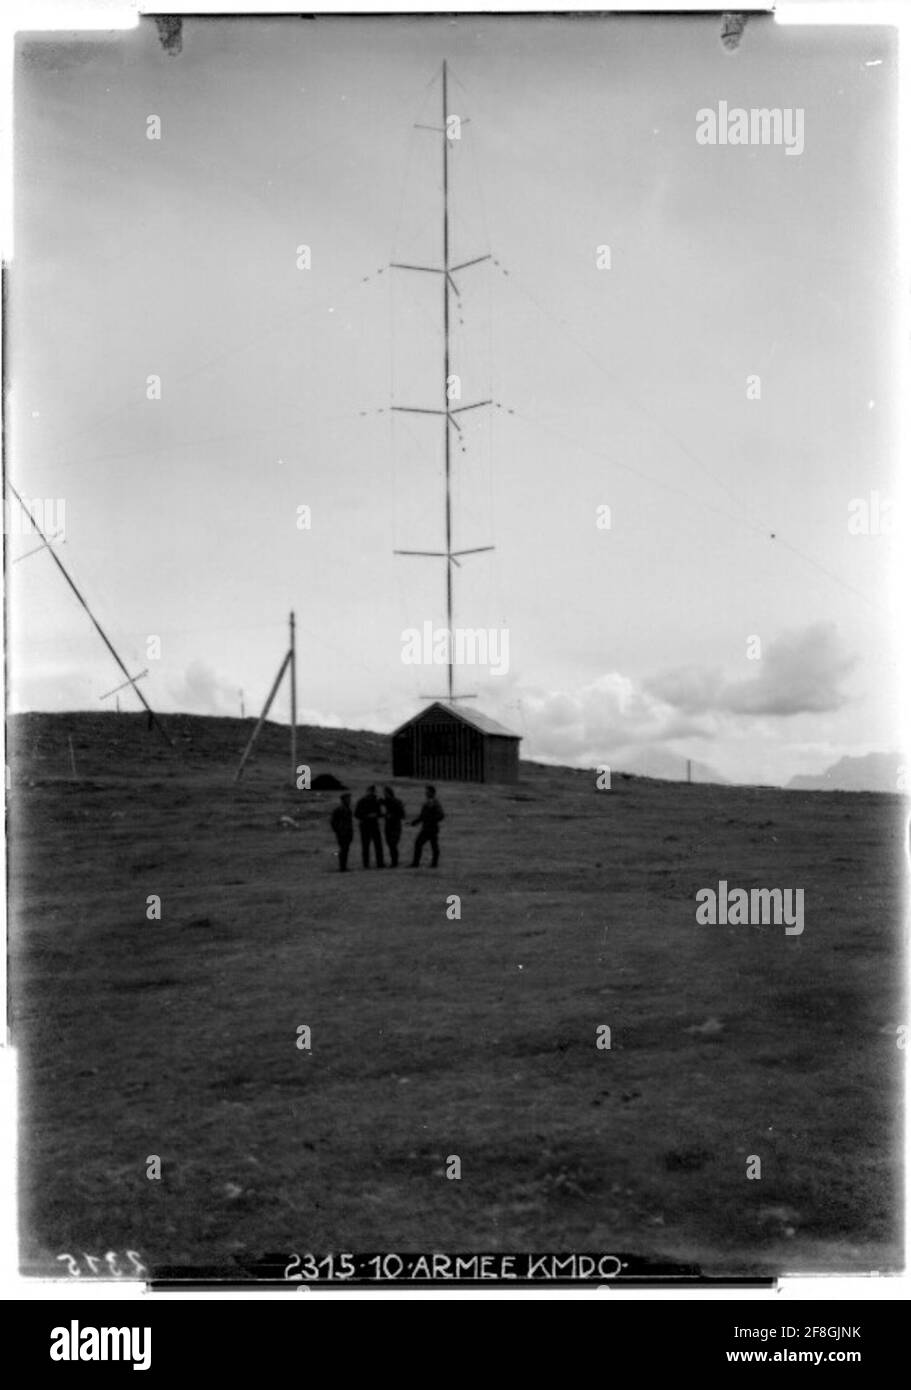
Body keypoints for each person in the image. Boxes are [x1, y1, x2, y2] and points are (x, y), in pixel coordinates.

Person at [410, 785, 444, 868]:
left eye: (427, 791)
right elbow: (423, 816)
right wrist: (415, 822)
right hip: (428, 827)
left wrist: (431, 819)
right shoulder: (428, 803)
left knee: (425, 844)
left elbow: (441, 815)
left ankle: (419, 863)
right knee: (429, 845)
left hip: (431, 828)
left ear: (432, 793)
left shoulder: (435, 803)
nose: (426, 793)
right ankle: (429, 863)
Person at [354, 784, 385, 868]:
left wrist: (377, 815)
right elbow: (356, 814)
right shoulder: (361, 801)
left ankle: (380, 863)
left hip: (374, 825)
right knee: (366, 846)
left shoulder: (376, 801)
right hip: (365, 825)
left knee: (378, 845)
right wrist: (367, 816)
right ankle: (366, 864)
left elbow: (379, 812)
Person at [382, 785, 406, 867]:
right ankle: (394, 861)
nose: (384, 795)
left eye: (385, 793)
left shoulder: (396, 802)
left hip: (395, 825)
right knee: (390, 844)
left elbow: (402, 815)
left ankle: (394, 862)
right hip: (388, 826)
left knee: (392, 844)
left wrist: (392, 815)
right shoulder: (386, 801)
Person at [329, 792, 353, 872]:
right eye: (348, 799)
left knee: (345, 849)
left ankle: (343, 866)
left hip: (346, 832)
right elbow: (333, 822)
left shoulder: (347, 809)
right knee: (343, 849)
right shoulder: (340, 810)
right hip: (342, 833)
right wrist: (338, 830)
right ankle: (342, 866)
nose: (349, 800)